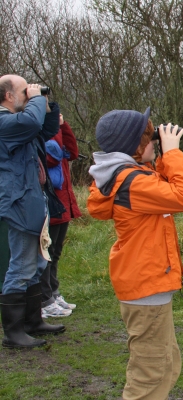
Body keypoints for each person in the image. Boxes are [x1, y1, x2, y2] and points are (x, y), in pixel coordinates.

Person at [87, 107, 183, 399]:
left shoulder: (128, 175)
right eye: (149, 138)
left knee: (166, 364)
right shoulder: (133, 181)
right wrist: (172, 154)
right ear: (134, 145)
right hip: (146, 286)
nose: (154, 142)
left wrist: (161, 155)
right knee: (150, 374)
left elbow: (161, 187)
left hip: (144, 282)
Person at [0, 75, 65, 349]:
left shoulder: (18, 122)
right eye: (23, 90)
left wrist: (46, 104)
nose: (28, 94)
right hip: (18, 203)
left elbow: (45, 129)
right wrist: (36, 100)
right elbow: (30, 123)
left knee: (37, 263)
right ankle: (14, 333)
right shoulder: (4, 122)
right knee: (22, 265)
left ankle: (33, 321)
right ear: (8, 95)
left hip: (31, 200)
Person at [39, 114, 82, 318]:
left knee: (55, 252)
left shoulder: (55, 132)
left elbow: (72, 152)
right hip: (51, 201)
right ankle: (45, 298)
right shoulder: (41, 135)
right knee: (46, 254)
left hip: (63, 201)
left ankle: (53, 293)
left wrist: (64, 126)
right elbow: (53, 155)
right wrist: (52, 127)